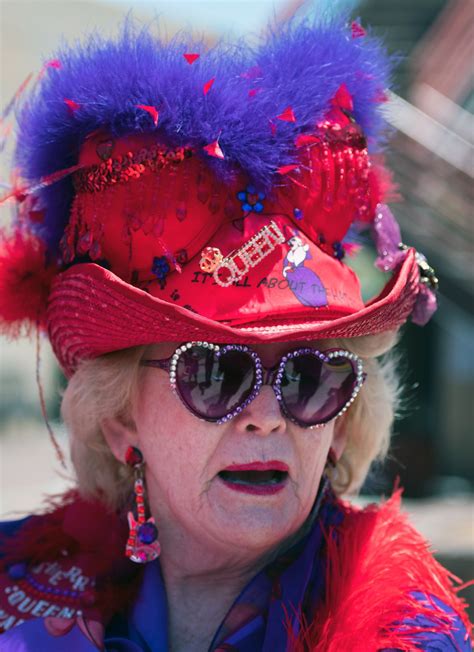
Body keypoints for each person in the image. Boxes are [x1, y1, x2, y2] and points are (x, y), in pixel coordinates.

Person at [0, 11, 471, 651]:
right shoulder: (15, 598)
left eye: (310, 378)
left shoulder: (410, 639)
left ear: (341, 426)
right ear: (119, 421)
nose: (269, 419)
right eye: (216, 372)